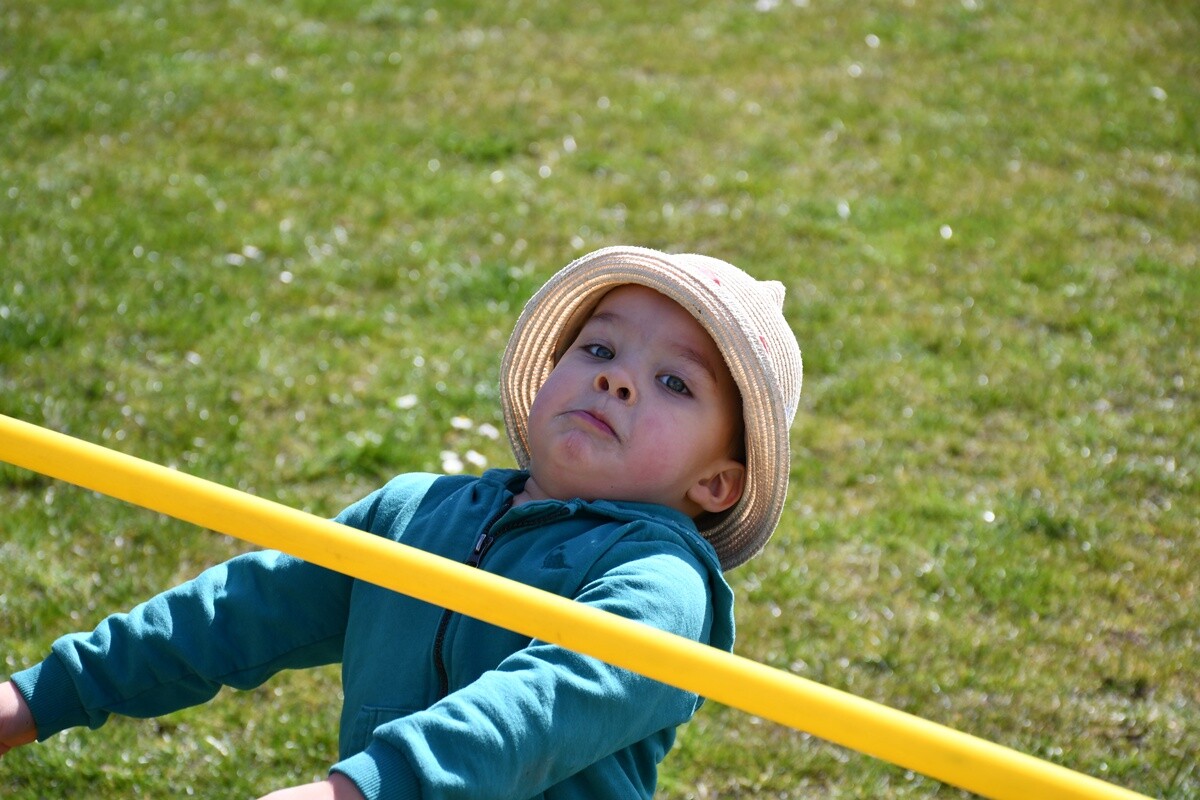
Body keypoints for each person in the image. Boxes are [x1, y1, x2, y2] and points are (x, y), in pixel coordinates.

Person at [0, 245, 803, 800]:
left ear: (717, 484)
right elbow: (236, 614)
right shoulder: (415, 512)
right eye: (598, 350)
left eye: (672, 381)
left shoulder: (661, 587)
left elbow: (537, 710)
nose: (619, 382)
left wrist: (356, 787)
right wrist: (36, 699)